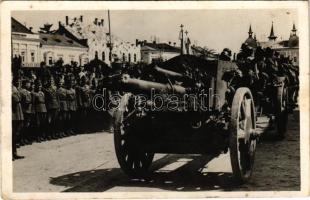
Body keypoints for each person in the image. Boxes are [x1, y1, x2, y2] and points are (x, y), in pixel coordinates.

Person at [12, 76, 24, 160]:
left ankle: (14, 152)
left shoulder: (15, 88)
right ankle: (10, 154)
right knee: (11, 134)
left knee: (16, 133)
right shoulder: (7, 87)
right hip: (13, 112)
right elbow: (14, 98)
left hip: (18, 112)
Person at [19, 79, 33, 145]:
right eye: (28, 83)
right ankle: (21, 140)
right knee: (23, 126)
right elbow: (25, 101)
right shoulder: (22, 91)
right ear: (25, 84)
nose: (29, 85)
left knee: (27, 125)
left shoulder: (28, 91)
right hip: (24, 110)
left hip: (28, 110)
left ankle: (25, 139)